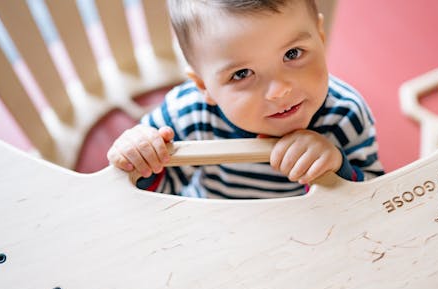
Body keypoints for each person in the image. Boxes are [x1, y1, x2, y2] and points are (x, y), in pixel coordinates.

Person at [107, 0, 384, 199]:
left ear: (320, 38)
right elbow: (152, 195)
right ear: (205, 86)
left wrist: (335, 167)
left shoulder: (344, 115)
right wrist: (141, 157)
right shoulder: (187, 114)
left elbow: (377, 198)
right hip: (214, 231)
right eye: (241, 74)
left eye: (292, 53)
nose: (279, 90)